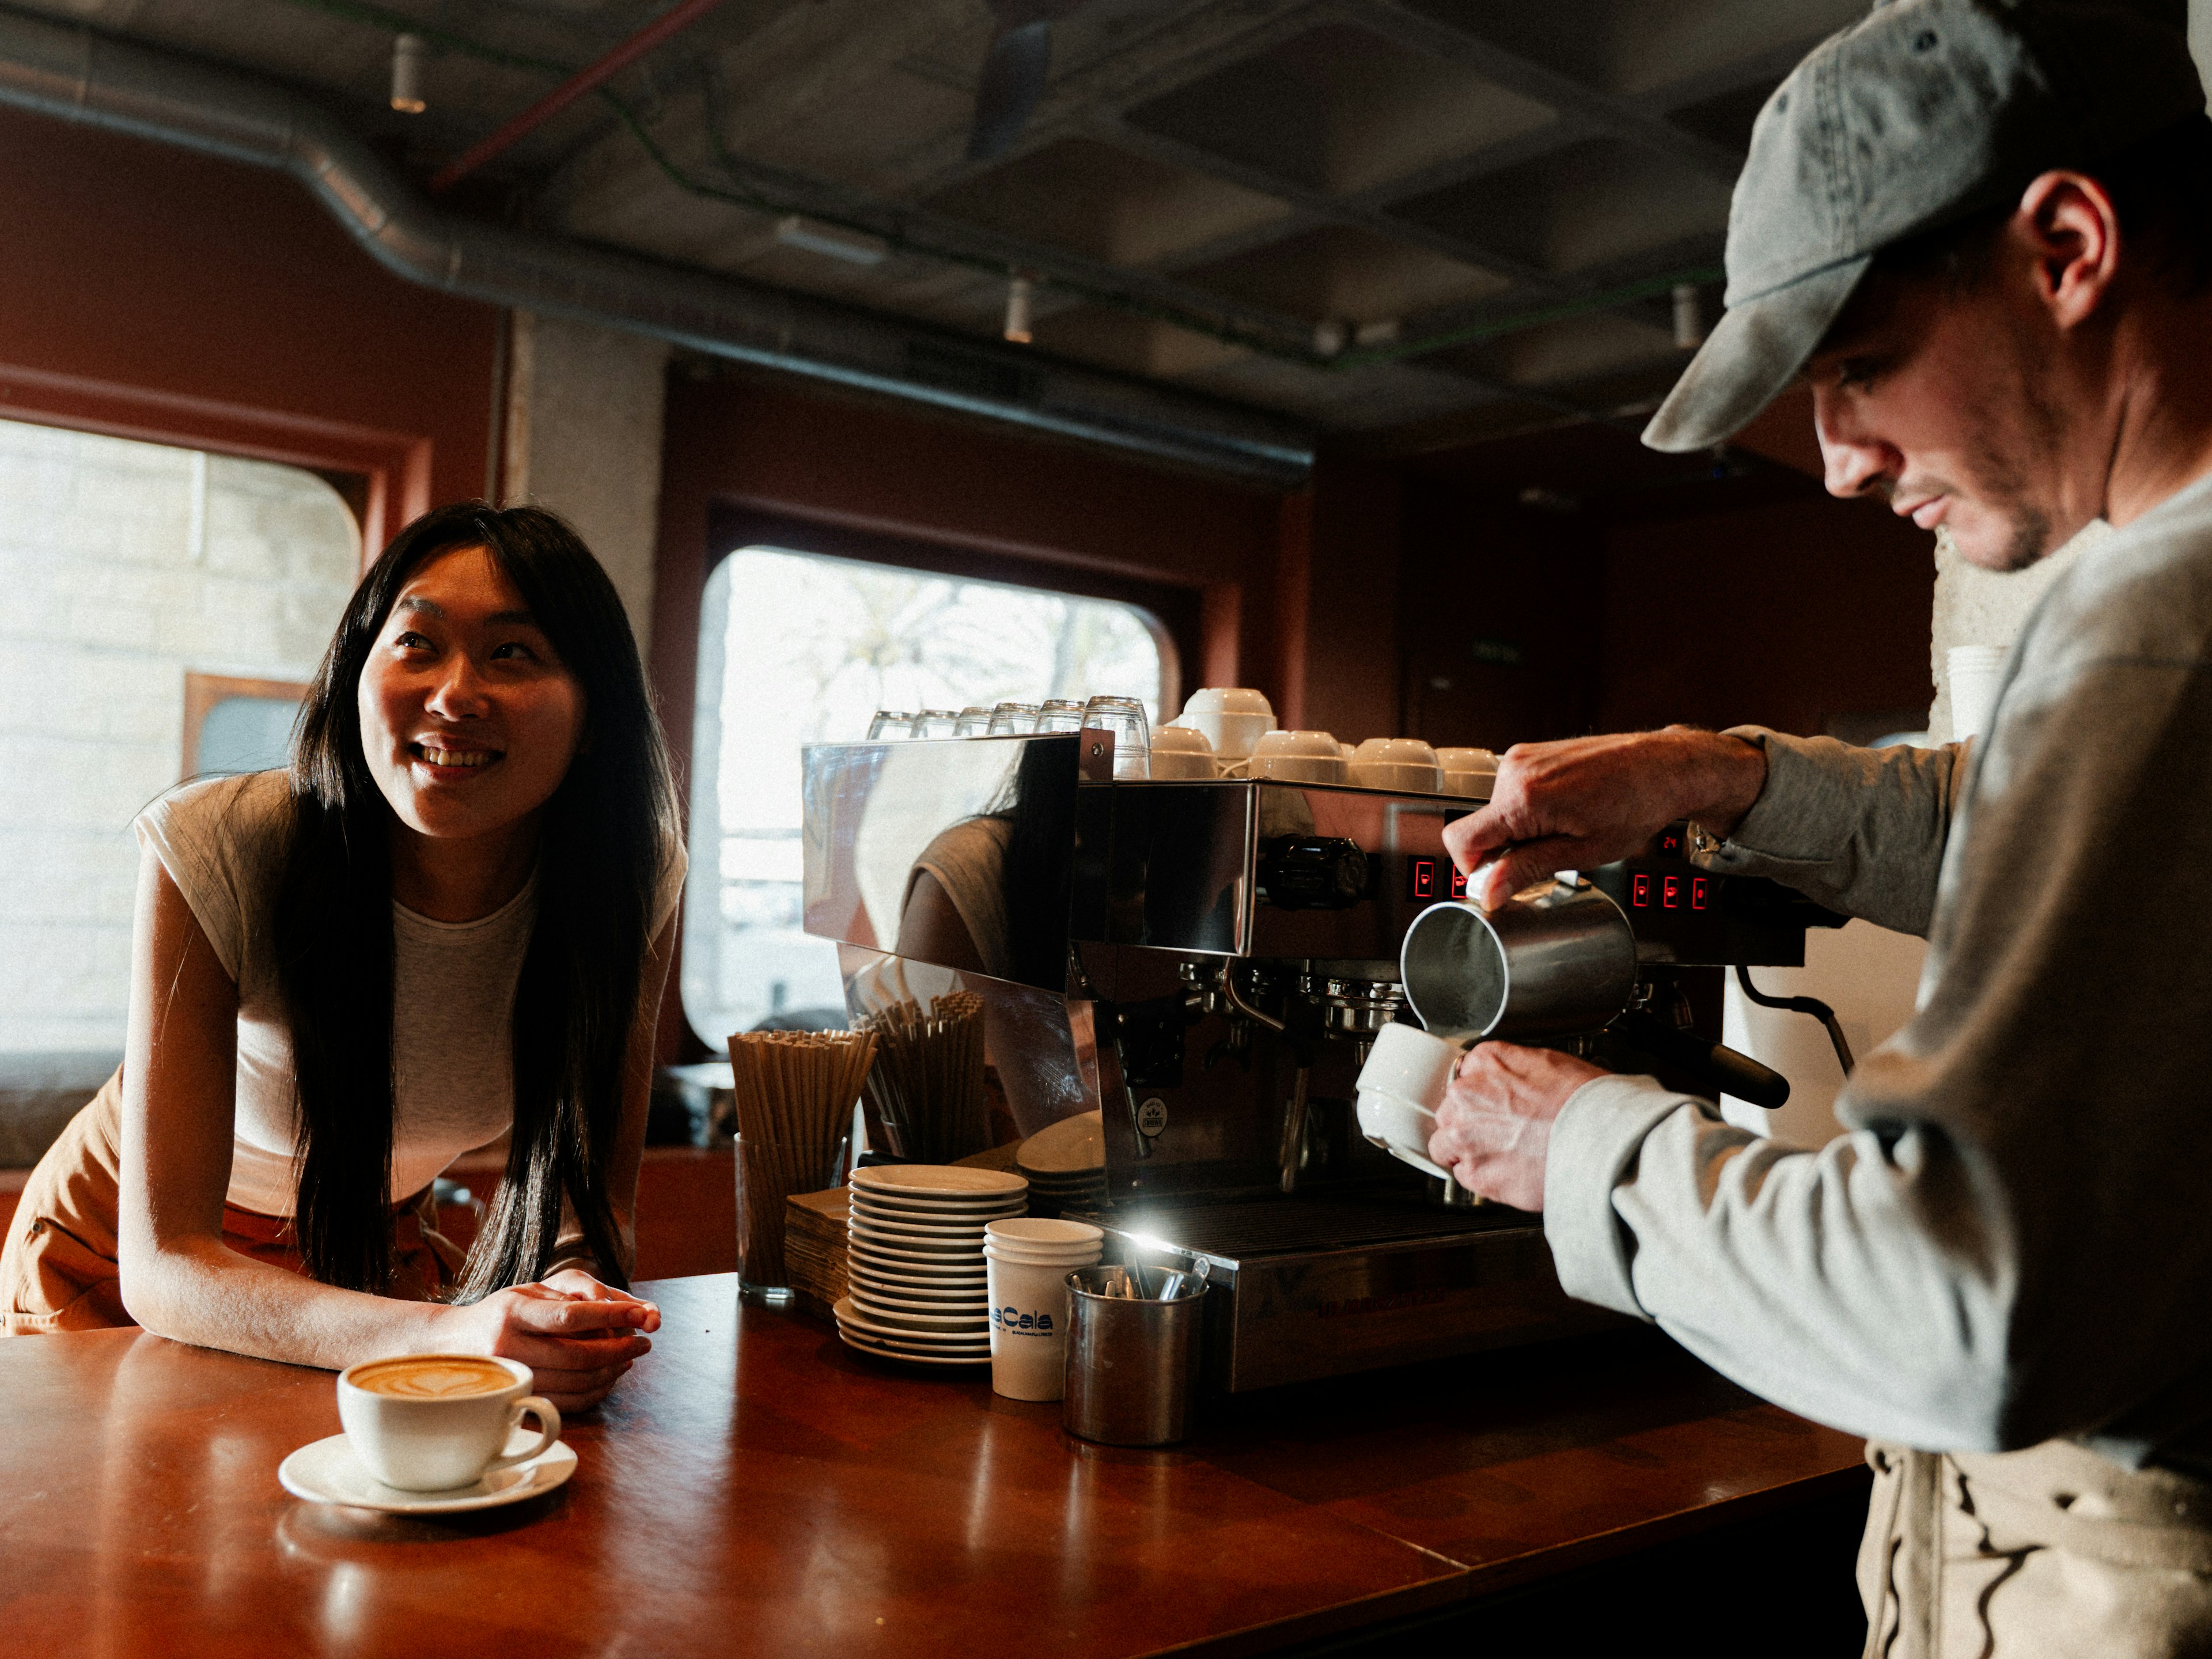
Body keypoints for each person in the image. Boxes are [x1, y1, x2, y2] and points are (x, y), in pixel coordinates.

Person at [1425, 2, 2212, 1652]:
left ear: (2067, 245)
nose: (1840, 466)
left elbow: (1959, 1305)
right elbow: (2063, 839)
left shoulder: (2155, 621)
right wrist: (1724, 776)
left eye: (1858, 368)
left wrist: (1579, 1148)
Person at [1, 503, 683, 1414]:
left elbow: (590, 1213)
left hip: (360, 1237)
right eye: (417, 645)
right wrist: (447, 1329)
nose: (453, 694)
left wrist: (564, 1305)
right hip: (116, 1253)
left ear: (595, 713)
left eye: (512, 653)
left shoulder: (630, 883)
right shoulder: (222, 845)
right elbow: (166, 1267)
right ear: (355, 674)